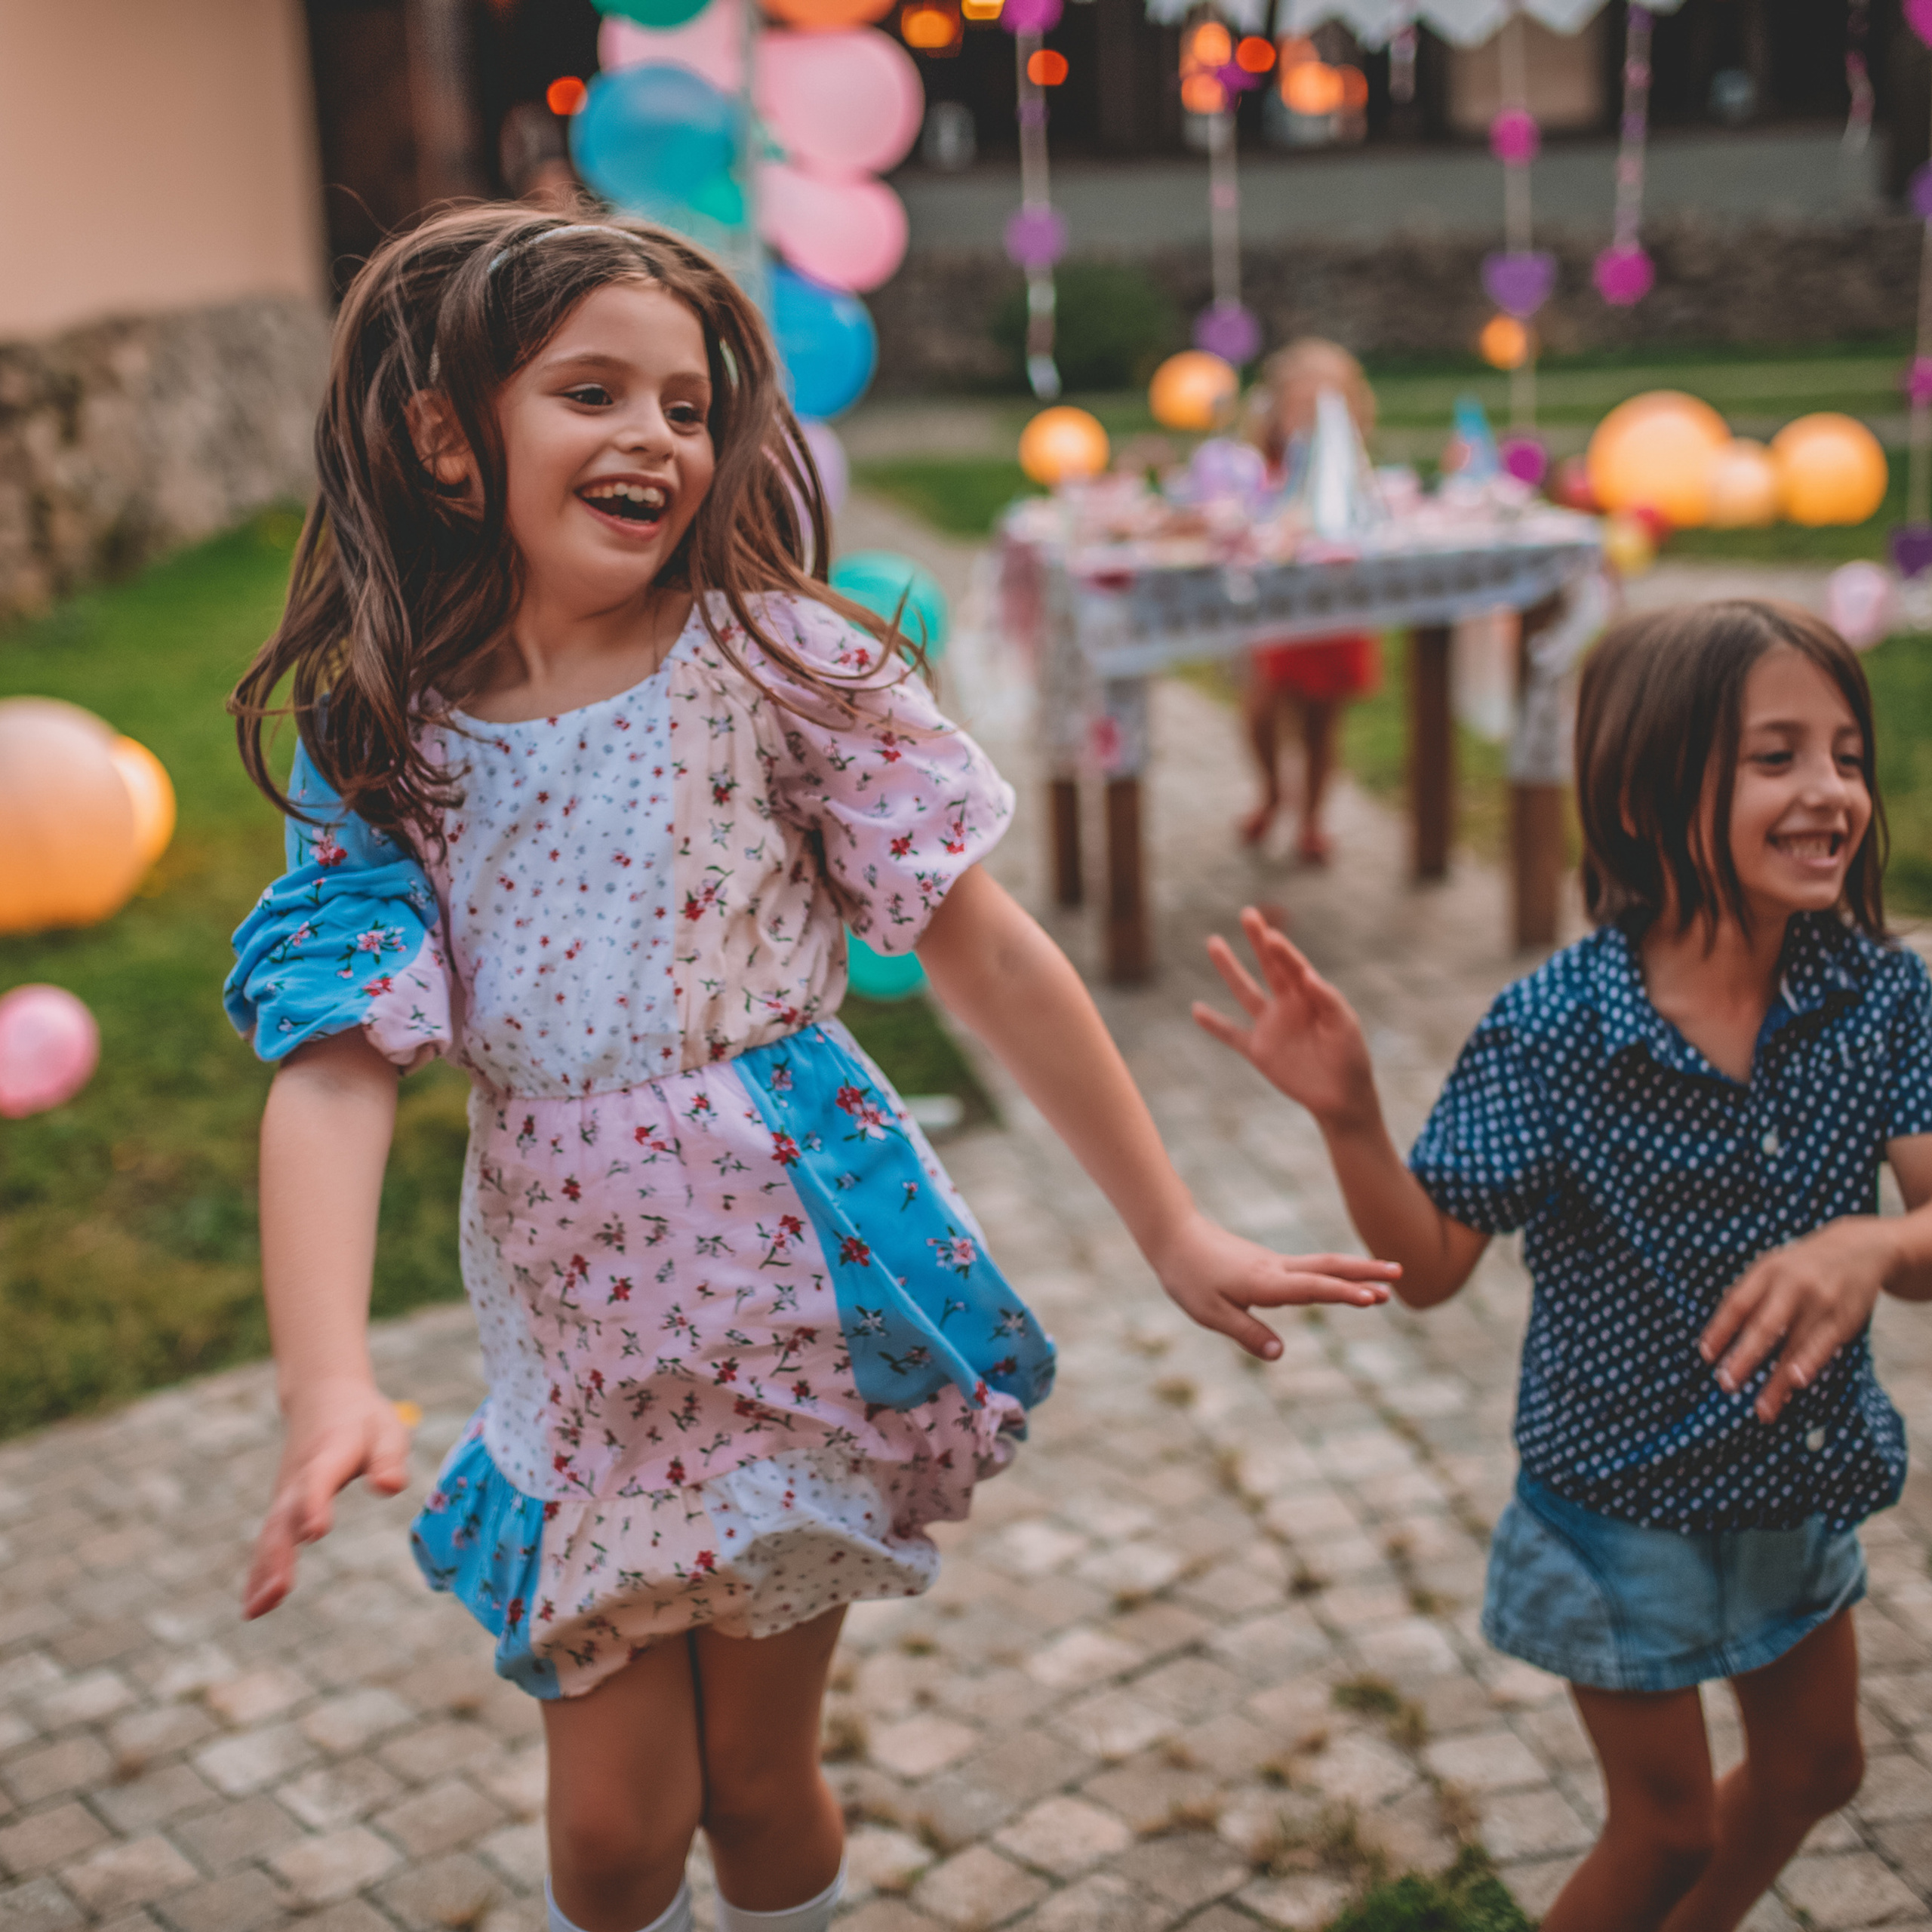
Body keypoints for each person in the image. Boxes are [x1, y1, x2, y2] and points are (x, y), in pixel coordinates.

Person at [221, 205, 1398, 1932]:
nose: (653, 438)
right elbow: (333, 1069)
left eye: (686, 407)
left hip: (794, 1307)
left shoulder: (781, 667)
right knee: (614, 1842)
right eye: (591, 391)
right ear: (446, 436)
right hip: (582, 1360)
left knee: (757, 1791)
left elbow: (982, 946)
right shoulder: (389, 737)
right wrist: (327, 1380)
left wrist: (1170, 1224)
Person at [1194, 600, 1932, 1932]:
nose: (1832, 793)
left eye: (1845, 755)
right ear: (1651, 792)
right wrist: (1352, 1114)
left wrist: (1875, 1242)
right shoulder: (1553, 1033)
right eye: (1777, 757)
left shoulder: (1882, 997)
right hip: (1620, 1507)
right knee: (1660, 1831)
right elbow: (1428, 1268)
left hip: (1797, 1481)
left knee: (1822, 1767)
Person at [1238, 338, 1382, 863]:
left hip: (1336, 611)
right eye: (1299, 405)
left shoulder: (1351, 472)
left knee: (1323, 723)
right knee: (1261, 709)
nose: (1310, 417)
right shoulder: (1261, 471)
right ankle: (1273, 792)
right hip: (1276, 616)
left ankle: (1312, 819)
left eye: (1325, 405)